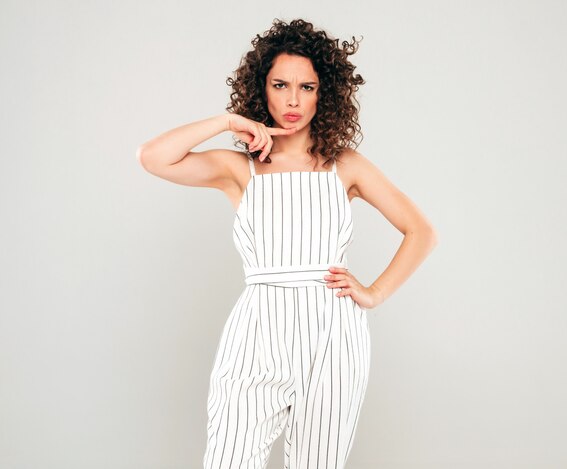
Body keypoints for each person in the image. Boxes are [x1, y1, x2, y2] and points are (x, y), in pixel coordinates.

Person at [136, 18, 437, 469]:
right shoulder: (240, 170)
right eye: (280, 85)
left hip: (333, 335)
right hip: (258, 330)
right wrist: (226, 121)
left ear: (325, 93)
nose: (293, 100)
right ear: (263, 89)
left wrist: (373, 294)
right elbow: (152, 157)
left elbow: (421, 231)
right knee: (229, 457)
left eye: (307, 87)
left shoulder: (345, 166)